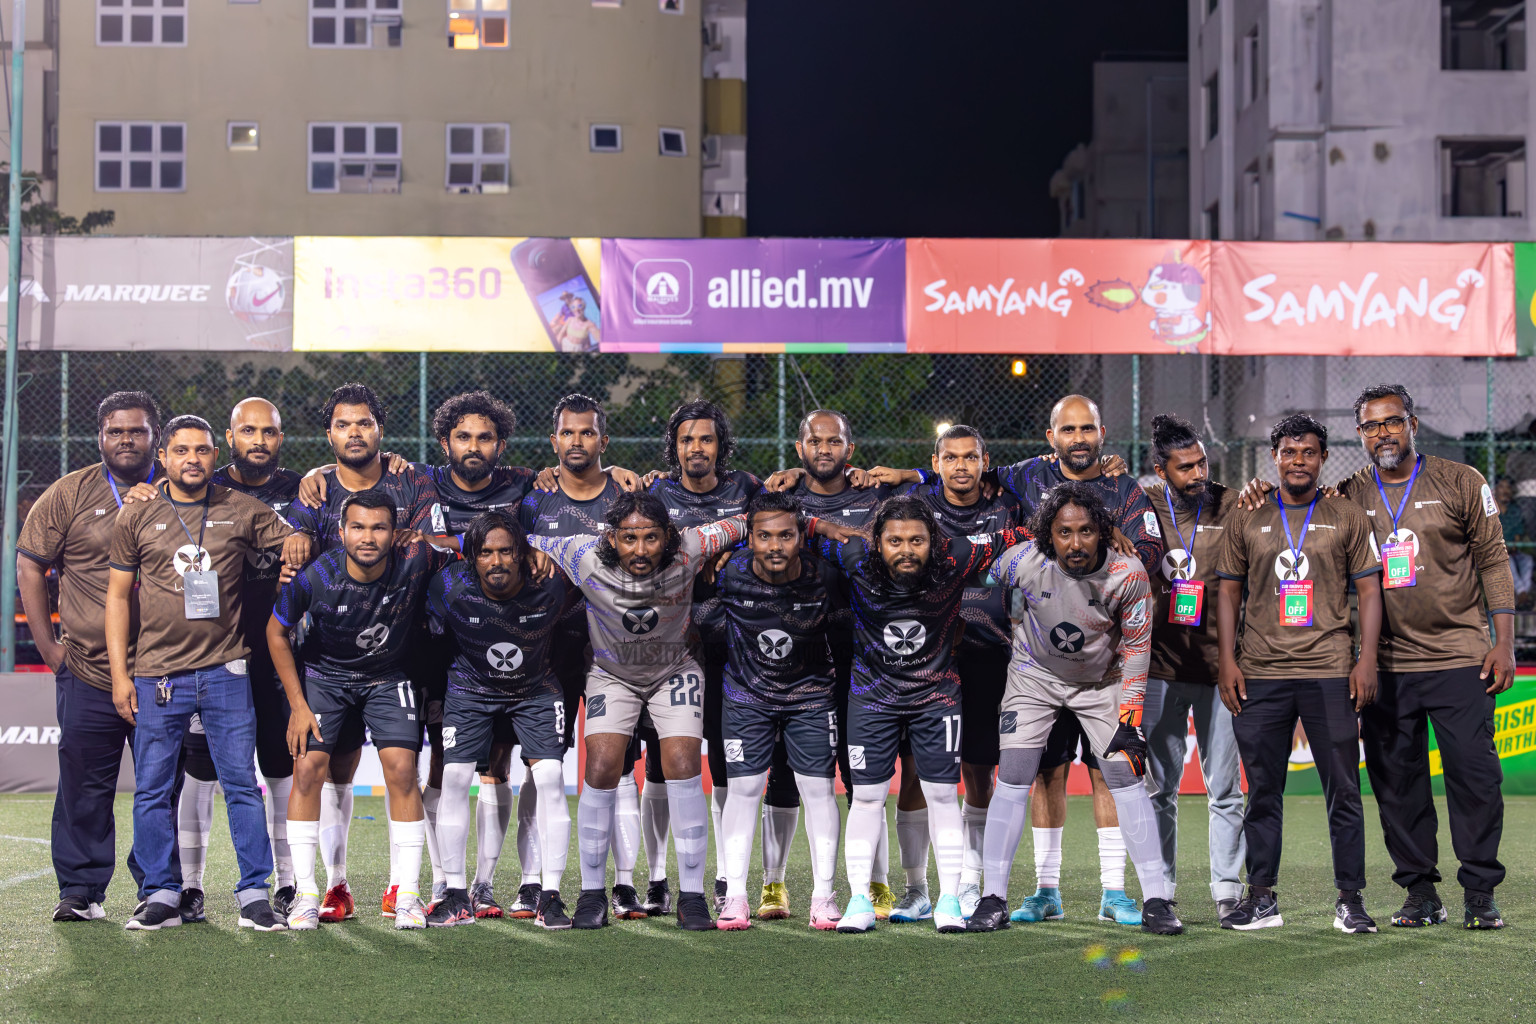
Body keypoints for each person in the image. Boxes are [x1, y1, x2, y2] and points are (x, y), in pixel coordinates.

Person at [962, 394, 1163, 926]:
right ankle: (999, 897)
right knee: (1023, 775)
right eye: (1067, 429)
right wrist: (998, 626)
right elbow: (972, 574)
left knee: (1120, 774)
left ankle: (1148, 897)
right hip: (1036, 675)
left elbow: (1139, 647)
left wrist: (1131, 715)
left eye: (1087, 429)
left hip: (1104, 678)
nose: (1075, 541)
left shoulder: (1128, 563)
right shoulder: (1023, 551)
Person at [105, 415, 295, 931]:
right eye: (181, 450)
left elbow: (297, 543)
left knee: (240, 785)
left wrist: (297, 548)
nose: (193, 458)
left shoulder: (242, 508)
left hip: (227, 671)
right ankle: (162, 893)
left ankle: (254, 893)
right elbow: (119, 597)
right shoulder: (137, 514)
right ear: (162, 457)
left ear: (217, 456)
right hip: (157, 675)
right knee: (151, 789)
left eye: (203, 450)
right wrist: (122, 676)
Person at [806, 495, 1028, 934]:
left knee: (943, 797)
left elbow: (1023, 534)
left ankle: (947, 900)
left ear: (934, 541)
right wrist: (821, 524)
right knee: (867, 798)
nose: (906, 550)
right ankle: (858, 902)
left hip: (936, 697)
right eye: (894, 541)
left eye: (917, 540)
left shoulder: (958, 555)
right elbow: (800, 531)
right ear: (877, 543)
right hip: (872, 699)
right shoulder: (854, 556)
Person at [528, 492, 749, 930]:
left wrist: (736, 545)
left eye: (651, 538)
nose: (641, 549)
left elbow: (747, 522)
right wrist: (533, 547)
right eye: (629, 538)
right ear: (612, 537)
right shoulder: (582, 553)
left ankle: (691, 896)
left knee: (684, 763)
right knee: (603, 765)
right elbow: (520, 538)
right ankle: (592, 894)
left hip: (675, 671)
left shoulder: (689, 547)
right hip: (613, 675)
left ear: (667, 535)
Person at [1339, 385, 1514, 930]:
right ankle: (1420, 892)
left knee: (1475, 778)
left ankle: (1480, 892)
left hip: (1460, 656)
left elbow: (1493, 560)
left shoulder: (1462, 481)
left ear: (1412, 423)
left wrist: (1503, 641)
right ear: (1359, 434)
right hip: (1385, 666)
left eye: (1392, 422)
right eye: (1371, 426)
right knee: (1396, 782)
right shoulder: (1347, 494)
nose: (1382, 433)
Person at [1214, 413, 1382, 933]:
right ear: (1276, 457)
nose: (1299, 461)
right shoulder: (1249, 514)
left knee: (1344, 791)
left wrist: (1366, 658)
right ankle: (1262, 897)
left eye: (1309, 452)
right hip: (1261, 671)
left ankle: (1350, 900)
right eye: (1290, 452)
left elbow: (1371, 591)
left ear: (1324, 458)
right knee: (1263, 790)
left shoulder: (1347, 514)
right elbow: (1227, 592)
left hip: (1330, 669)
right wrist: (1227, 659)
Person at [285, 382, 442, 922]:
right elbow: (290, 550)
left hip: (399, 648)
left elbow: (438, 543)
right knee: (332, 770)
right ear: (329, 433)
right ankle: (331, 887)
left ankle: (407, 891)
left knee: (403, 768)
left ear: (380, 430)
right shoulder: (314, 491)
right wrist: (293, 544)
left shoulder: (410, 479)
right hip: (328, 656)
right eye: (344, 424)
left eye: (365, 423)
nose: (355, 432)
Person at [268, 490, 453, 930]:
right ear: (341, 531)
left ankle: (408, 896)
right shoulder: (317, 577)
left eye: (379, 527)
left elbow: (467, 549)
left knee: (402, 770)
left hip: (390, 677)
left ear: (396, 533)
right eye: (358, 527)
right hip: (325, 677)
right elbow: (276, 633)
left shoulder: (418, 558)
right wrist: (298, 705)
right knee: (309, 769)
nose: (367, 537)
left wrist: (534, 554)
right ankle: (307, 895)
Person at [18, 392, 166, 922]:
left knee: (160, 786)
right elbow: (30, 564)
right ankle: (81, 891)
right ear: (100, 437)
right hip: (87, 668)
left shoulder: (184, 491)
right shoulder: (69, 493)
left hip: (162, 671)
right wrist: (50, 649)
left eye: (138, 431)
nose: (126, 440)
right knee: (84, 784)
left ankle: (160, 888)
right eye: (115, 432)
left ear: (156, 436)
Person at [757, 409, 892, 921]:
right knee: (785, 773)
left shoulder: (875, 498)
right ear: (799, 449)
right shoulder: (782, 498)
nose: (825, 449)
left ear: (850, 450)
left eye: (835, 440)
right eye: (815, 440)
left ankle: (875, 882)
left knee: (863, 775)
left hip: (864, 649)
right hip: (796, 651)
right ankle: (773, 885)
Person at [520, 393, 648, 920]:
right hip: (546, 651)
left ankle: (622, 884)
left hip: (613, 652)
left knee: (616, 769)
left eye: (588, 432)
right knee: (539, 766)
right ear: (554, 442)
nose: (577, 442)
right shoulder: (532, 499)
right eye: (568, 433)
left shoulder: (626, 495)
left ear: (604, 440)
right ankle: (530, 882)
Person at [424, 511, 580, 928]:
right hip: (470, 690)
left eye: (507, 551)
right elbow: (426, 636)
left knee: (549, 777)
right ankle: (456, 893)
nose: (497, 561)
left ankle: (550, 895)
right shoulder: (448, 587)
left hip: (535, 690)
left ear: (523, 553)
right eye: (486, 553)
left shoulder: (552, 582)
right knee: (455, 777)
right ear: (472, 558)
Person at [644, 400, 762, 913]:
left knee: (724, 760)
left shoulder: (748, 490)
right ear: (674, 446)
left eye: (706, 439)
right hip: (669, 647)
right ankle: (654, 877)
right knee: (658, 767)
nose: (697, 448)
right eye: (687, 439)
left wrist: (734, 554)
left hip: (735, 645)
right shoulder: (654, 493)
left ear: (721, 445)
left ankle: (722, 875)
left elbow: (771, 534)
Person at [708, 491, 845, 930]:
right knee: (743, 791)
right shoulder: (728, 573)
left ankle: (824, 896)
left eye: (785, 535)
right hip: (747, 697)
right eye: (764, 536)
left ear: (801, 536)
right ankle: (736, 897)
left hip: (810, 697)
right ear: (750, 537)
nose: (775, 546)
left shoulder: (825, 577)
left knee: (818, 791)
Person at [1139, 414, 1246, 926]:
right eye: (1185, 467)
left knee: (1224, 787)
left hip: (1217, 667)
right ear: (1162, 470)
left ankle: (1228, 889)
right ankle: (1160, 888)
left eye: (1202, 462)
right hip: (1158, 667)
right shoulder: (1141, 504)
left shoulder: (1235, 503)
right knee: (1158, 787)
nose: (1197, 472)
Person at [1494, 477, 1533, 605]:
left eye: (1508, 488)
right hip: (1493, 554)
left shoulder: (1514, 510)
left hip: (1511, 551)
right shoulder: (1489, 509)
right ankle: (1522, 593)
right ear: (1495, 490)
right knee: (1507, 559)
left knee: (1527, 560)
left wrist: (1513, 546)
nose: (1505, 491)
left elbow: (1517, 536)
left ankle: (1522, 596)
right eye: (1502, 487)